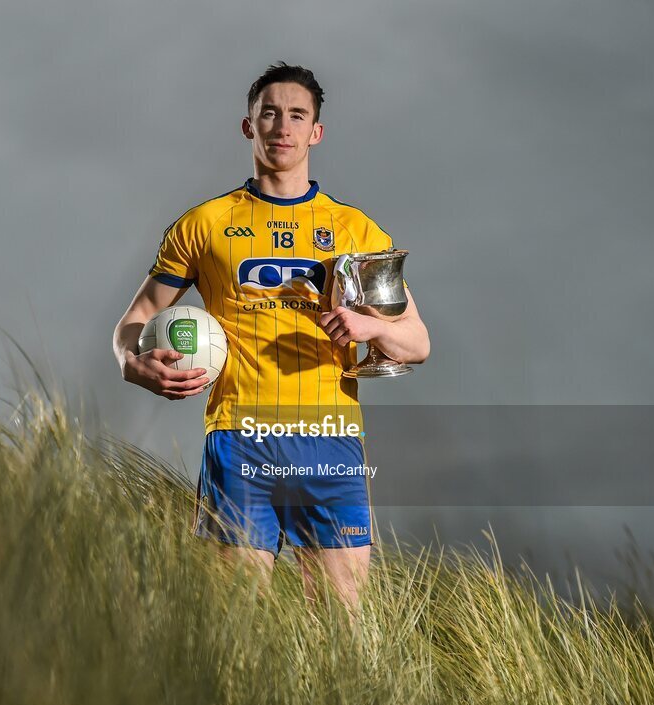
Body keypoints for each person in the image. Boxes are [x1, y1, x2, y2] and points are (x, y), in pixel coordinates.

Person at [113, 63, 429, 609]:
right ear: (249, 126)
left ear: (316, 133)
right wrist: (131, 362)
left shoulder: (356, 231)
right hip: (239, 438)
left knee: (339, 631)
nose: (283, 125)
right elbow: (135, 319)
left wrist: (369, 325)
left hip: (330, 441)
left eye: (297, 115)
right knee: (233, 627)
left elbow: (417, 343)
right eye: (270, 113)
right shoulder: (204, 225)